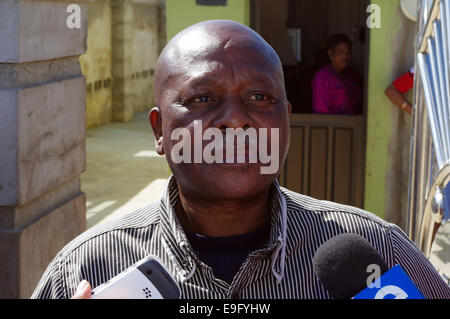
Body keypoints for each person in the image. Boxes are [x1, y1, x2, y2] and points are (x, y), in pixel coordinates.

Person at [32, 20, 449, 299]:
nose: (234, 121)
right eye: (202, 98)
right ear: (160, 132)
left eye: (259, 97)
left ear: (285, 120)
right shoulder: (84, 269)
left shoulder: (378, 253)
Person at [312, 33, 363, 115]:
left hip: (354, 125)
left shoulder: (352, 76)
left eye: (348, 52)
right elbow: (320, 112)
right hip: (333, 126)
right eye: (340, 52)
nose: (345, 56)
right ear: (330, 53)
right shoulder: (322, 77)